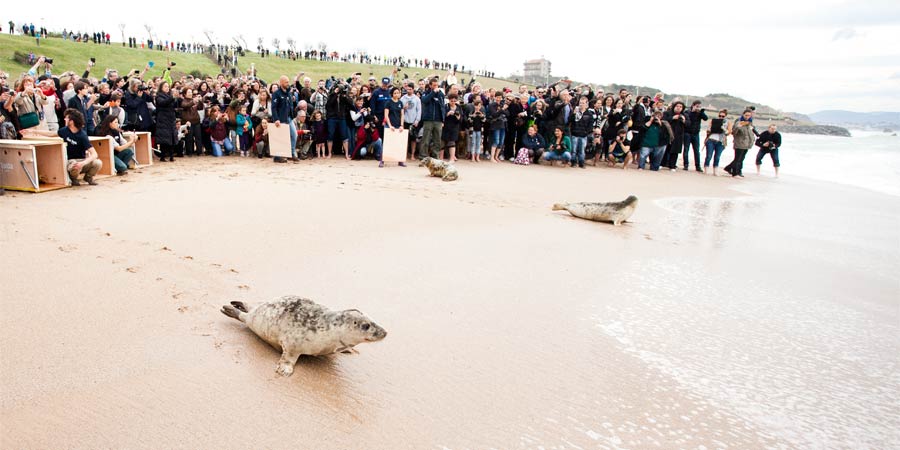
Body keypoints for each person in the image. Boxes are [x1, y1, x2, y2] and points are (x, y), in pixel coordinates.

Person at [22, 109, 102, 185]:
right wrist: (33, 131)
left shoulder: (82, 135)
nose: (64, 119)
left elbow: (94, 154)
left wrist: (83, 163)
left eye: (66, 118)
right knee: (74, 166)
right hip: (70, 161)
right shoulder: (64, 130)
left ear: (72, 121)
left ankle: (88, 177)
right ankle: (73, 178)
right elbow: (51, 134)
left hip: (81, 160)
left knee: (98, 163)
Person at [271, 75, 299, 163]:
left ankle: (291, 152)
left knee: (294, 135)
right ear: (281, 83)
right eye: (286, 82)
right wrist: (276, 119)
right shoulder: (276, 94)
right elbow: (274, 107)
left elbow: (290, 104)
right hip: (280, 119)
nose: (288, 83)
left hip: (289, 118)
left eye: (288, 81)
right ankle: (277, 156)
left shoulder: (288, 92)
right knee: (279, 138)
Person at [419, 77, 445, 159]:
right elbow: (424, 100)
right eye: (434, 85)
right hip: (428, 120)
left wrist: (442, 119)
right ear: (430, 85)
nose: (436, 87)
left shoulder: (441, 94)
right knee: (425, 139)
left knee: (437, 140)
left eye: (437, 85)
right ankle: (423, 157)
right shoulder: (426, 93)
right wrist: (433, 93)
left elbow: (443, 107)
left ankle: (435, 157)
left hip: (438, 120)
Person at [326, 82, 353, 159]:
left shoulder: (344, 96)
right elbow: (328, 105)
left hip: (342, 118)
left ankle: (347, 154)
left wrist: (344, 96)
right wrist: (335, 94)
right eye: (337, 89)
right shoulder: (331, 95)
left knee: (344, 135)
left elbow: (350, 104)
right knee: (330, 135)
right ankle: (329, 153)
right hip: (332, 117)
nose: (339, 90)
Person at [724, 109, 755, 177]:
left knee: (741, 158)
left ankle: (730, 168)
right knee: (738, 159)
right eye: (746, 115)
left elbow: (750, 132)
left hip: (747, 143)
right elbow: (734, 132)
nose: (747, 117)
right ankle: (735, 172)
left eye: (749, 115)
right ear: (743, 114)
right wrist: (738, 127)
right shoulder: (739, 121)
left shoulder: (750, 122)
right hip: (739, 142)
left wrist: (752, 139)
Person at [154, 81, 178, 162]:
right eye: (165, 86)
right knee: (164, 139)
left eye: (168, 86)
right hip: (163, 119)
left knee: (172, 137)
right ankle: (163, 156)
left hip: (171, 119)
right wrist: (172, 98)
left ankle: (171, 156)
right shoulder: (158, 96)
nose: (167, 88)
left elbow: (174, 105)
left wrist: (175, 99)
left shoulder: (169, 95)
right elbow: (163, 103)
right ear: (161, 88)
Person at [662, 101, 690, 171]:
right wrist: (672, 118)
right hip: (667, 134)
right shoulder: (667, 113)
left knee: (675, 151)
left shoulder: (685, 115)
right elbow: (663, 121)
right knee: (665, 150)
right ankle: (662, 164)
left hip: (678, 136)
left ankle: (672, 166)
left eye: (680, 107)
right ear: (674, 106)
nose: (679, 108)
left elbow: (689, 124)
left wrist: (684, 121)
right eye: (677, 106)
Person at [570, 96, 595, 169]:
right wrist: (573, 114)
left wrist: (586, 132)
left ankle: (581, 163)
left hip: (583, 135)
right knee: (573, 150)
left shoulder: (589, 114)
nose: (581, 104)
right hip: (575, 134)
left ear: (586, 104)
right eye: (580, 103)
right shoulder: (575, 112)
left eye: (583, 103)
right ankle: (573, 162)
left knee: (582, 150)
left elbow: (591, 125)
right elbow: (570, 121)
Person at [684, 100, 708, 171]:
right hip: (687, 133)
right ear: (693, 105)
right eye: (697, 106)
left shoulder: (700, 113)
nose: (698, 108)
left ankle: (697, 166)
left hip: (696, 134)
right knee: (686, 149)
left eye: (699, 106)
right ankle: (686, 165)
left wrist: (701, 112)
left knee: (696, 150)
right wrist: (693, 111)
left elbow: (705, 118)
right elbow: (687, 118)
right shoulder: (687, 112)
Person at [703, 109, 729, 175]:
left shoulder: (727, 123)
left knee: (717, 157)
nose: (721, 117)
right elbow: (708, 130)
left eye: (723, 116)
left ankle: (715, 171)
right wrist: (710, 128)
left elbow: (728, 133)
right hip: (711, 139)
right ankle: (706, 169)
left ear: (725, 116)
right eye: (720, 116)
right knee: (709, 155)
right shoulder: (713, 121)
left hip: (721, 141)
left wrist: (724, 129)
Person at [400, 82, 421, 160]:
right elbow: (400, 110)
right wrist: (404, 108)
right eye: (407, 89)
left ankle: (412, 154)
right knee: (404, 139)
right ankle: (403, 154)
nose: (409, 91)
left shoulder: (417, 99)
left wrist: (417, 120)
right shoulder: (403, 98)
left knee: (413, 139)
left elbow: (419, 110)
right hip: (405, 121)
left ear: (413, 89)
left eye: (410, 89)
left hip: (413, 121)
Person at [488, 91, 508, 163]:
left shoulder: (503, 104)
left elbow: (508, 114)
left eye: (500, 97)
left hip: (503, 124)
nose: (498, 99)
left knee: (501, 142)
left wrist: (502, 110)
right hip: (495, 125)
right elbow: (494, 115)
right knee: (496, 140)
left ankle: (496, 156)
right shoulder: (492, 105)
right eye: (497, 97)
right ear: (495, 97)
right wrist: (502, 110)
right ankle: (492, 157)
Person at [441, 93, 462, 162]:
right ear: (449, 100)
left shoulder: (459, 107)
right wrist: (448, 114)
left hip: (454, 127)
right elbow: (442, 116)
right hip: (446, 126)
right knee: (442, 142)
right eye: (451, 101)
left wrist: (458, 117)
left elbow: (461, 118)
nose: (453, 102)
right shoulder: (445, 106)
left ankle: (452, 158)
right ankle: (441, 158)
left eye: (454, 101)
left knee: (452, 142)